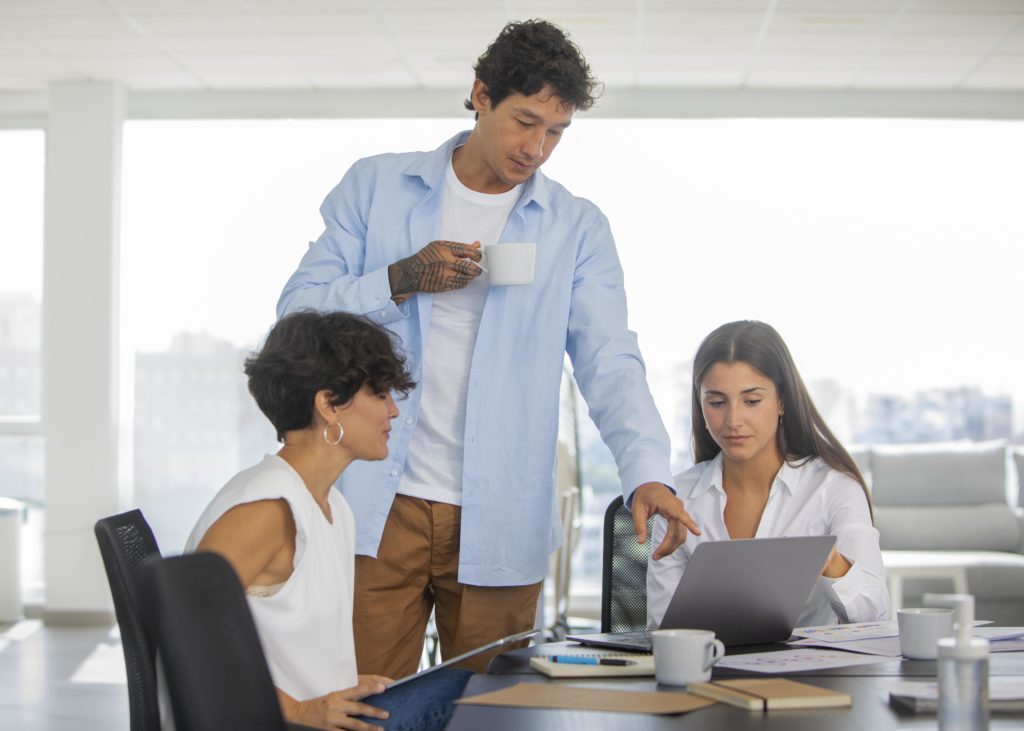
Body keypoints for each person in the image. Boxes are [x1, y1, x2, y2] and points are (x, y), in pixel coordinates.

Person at [277, 19, 698, 679]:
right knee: (361, 704)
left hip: (501, 509)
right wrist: (400, 278)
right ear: (480, 94)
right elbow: (297, 312)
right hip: (375, 502)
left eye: (555, 132)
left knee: (493, 712)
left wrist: (646, 471)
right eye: (525, 121)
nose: (536, 147)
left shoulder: (576, 228)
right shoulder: (376, 188)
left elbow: (609, 359)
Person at [186, 311, 470, 731]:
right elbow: (184, 632)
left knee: (469, 687)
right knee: (467, 696)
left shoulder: (333, 507)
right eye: (380, 395)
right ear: (328, 405)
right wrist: (300, 710)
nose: (393, 411)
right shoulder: (267, 508)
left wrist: (334, 686)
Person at [647, 321, 890, 629]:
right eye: (717, 402)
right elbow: (662, 628)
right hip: (708, 671)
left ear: (782, 402)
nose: (733, 420)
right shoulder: (678, 498)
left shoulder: (833, 488)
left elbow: (875, 617)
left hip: (811, 673)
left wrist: (831, 562)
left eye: (752, 401)